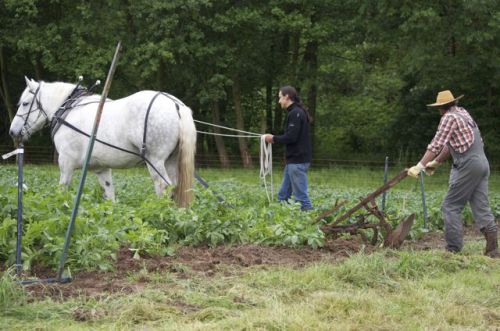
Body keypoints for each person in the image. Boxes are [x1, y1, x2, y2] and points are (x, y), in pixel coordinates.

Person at [408, 90, 499, 257]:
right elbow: (452, 143)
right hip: (482, 163)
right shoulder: (463, 113)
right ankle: (493, 250)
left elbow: (436, 144)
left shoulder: (448, 118)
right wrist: (436, 162)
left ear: (441, 108)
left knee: (450, 206)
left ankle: (453, 249)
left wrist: (419, 165)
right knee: (481, 207)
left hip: (469, 165)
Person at [263, 86, 313, 211]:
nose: (279, 101)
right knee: (283, 195)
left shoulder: (296, 113)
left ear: (287, 97)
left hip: (297, 161)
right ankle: (279, 218)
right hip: (293, 161)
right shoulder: (295, 112)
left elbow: (291, 137)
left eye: (280, 97)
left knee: (301, 198)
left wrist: (273, 138)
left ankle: (311, 222)